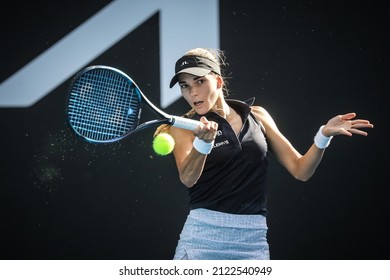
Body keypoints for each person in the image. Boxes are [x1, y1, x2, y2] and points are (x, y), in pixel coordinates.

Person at [154, 47, 374, 260]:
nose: (192, 92)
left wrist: (323, 135)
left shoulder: (258, 116)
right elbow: (188, 178)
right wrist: (204, 144)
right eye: (185, 86)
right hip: (201, 239)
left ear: (219, 81)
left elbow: (301, 170)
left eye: (200, 81)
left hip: (252, 241)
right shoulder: (184, 127)